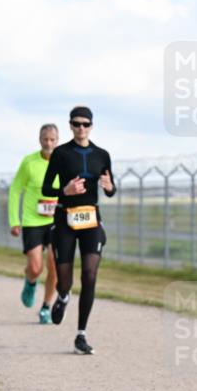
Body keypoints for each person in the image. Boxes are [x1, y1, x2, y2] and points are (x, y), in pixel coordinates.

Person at [41, 106, 115, 354]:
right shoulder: (61, 153)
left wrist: (109, 187)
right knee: (65, 279)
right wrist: (66, 191)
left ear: (92, 126)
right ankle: (62, 296)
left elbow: (110, 188)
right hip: (65, 219)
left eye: (85, 124)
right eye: (76, 124)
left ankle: (81, 334)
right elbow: (45, 189)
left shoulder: (102, 155)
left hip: (91, 219)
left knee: (90, 275)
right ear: (70, 126)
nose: (81, 128)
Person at [9, 124, 60, 324]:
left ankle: (46, 307)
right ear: (40, 140)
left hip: (57, 221)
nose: (48, 143)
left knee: (55, 266)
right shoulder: (29, 162)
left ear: (57, 140)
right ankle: (30, 281)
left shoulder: (63, 161)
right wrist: (15, 220)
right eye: (45, 139)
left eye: (52, 139)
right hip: (32, 221)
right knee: (36, 267)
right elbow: (15, 190)